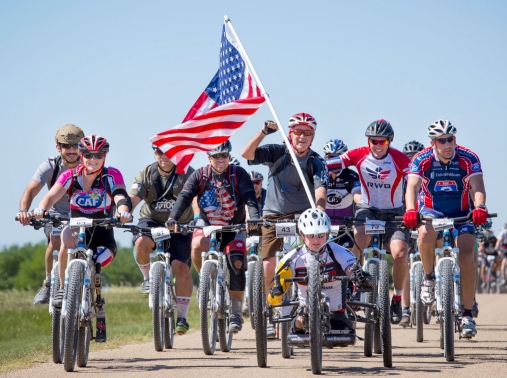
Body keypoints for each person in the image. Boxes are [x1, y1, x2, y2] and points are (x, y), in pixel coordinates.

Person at [33, 135, 132, 342]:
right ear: (81, 155)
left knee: (96, 263)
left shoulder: (110, 175)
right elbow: (52, 195)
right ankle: (60, 289)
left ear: (104, 156)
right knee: (63, 242)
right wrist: (41, 208)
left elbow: (120, 195)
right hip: (77, 228)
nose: (92, 159)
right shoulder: (70, 175)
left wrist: (123, 211)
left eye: (97, 155)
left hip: (103, 232)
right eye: (88, 154)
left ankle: (97, 303)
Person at [241, 112, 328, 338]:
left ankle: (310, 307)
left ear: (313, 136)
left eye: (307, 132)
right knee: (269, 265)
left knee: (312, 261)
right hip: (274, 216)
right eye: (297, 131)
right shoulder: (278, 152)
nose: (302, 136)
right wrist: (264, 133)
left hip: (303, 216)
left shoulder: (317, 162)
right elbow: (246, 153)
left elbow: (320, 191)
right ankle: (270, 311)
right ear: (290, 134)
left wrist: (319, 211)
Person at [403, 119, 488, 338]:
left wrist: (479, 206)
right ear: (433, 143)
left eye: (450, 139)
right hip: (433, 212)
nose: (447, 144)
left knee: (468, 256)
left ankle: (467, 314)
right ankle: (429, 277)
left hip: (462, 214)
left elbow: (478, 186)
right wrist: (411, 210)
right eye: (442, 141)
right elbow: (411, 187)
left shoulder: (468, 157)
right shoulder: (421, 159)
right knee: (424, 232)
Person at [166, 141, 259, 333]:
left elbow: (250, 197)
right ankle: (204, 279)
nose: (220, 159)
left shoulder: (238, 174)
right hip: (208, 224)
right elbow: (184, 196)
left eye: (224, 155)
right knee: (198, 244)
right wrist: (172, 218)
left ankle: (235, 311)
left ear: (229, 156)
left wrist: (254, 219)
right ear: (209, 158)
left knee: (237, 262)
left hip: (234, 226)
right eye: (216, 156)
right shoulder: (200, 175)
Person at [326, 119, 411, 325]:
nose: (377, 145)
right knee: (360, 238)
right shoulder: (358, 154)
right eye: (373, 141)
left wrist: (413, 209)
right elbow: (331, 164)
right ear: (368, 141)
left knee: (400, 253)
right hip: (368, 209)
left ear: (390, 141)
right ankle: (352, 284)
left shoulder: (400, 159)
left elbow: (416, 182)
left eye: (382, 142)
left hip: (394, 213)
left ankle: (398, 299)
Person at [267, 208, 370, 335]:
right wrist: (277, 293)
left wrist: (357, 276)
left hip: (336, 313)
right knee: (300, 322)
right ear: (302, 236)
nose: (316, 240)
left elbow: (351, 267)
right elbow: (275, 296)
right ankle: (304, 322)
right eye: (311, 236)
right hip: (305, 314)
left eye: (320, 235)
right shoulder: (292, 258)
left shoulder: (339, 252)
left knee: (344, 330)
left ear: (327, 234)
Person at [128, 144, 196, 335]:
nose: (164, 156)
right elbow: (133, 196)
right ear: (154, 153)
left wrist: (197, 219)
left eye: (169, 152)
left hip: (180, 225)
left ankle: (182, 317)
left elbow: (196, 198)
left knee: (181, 268)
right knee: (141, 243)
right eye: (159, 151)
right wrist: (124, 211)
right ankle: (148, 279)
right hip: (152, 221)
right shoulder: (147, 173)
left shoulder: (186, 172)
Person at [17, 124, 85, 305]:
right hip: (55, 214)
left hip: (83, 216)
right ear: (58, 147)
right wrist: (24, 211)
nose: (71, 150)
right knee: (56, 241)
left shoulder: (91, 165)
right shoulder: (50, 166)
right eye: (66, 146)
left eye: (76, 145)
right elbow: (30, 191)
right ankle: (48, 283)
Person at [399, 140, 425, 327]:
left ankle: (441, 288)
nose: (411, 161)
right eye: (408, 157)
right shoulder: (400, 178)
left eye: (415, 156)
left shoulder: (428, 173)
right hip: (406, 220)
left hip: (426, 219)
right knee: (407, 264)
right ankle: (406, 310)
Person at [322, 139, 361, 249]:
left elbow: (358, 195)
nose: (334, 161)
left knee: (351, 257)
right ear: (325, 158)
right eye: (330, 157)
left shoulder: (351, 176)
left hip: (346, 227)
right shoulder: (320, 175)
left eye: (338, 157)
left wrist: (363, 204)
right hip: (325, 227)